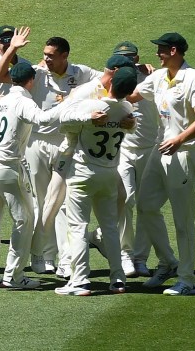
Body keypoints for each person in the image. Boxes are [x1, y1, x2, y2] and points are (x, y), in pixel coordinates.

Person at [0, 28, 101, 277]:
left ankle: (65, 260)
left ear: (65, 55)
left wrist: (138, 69)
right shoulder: (37, 72)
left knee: (63, 203)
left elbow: (108, 78)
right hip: (36, 144)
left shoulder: (81, 72)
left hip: (66, 143)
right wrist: (13, 49)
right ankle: (42, 256)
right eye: (45, 54)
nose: (47, 59)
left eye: (51, 55)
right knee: (41, 202)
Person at [131, 33, 195, 296]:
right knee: (145, 206)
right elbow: (130, 96)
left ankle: (187, 280)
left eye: (161, 50)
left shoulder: (193, 78)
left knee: (183, 220)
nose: (157, 54)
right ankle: (168, 262)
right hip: (160, 150)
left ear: (174, 50)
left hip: (183, 153)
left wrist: (179, 139)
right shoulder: (158, 78)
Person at [54, 66, 139, 296]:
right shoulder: (127, 109)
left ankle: (80, 281)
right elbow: (131, 126)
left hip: (83, 173)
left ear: (110, 83)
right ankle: (118, 279)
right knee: (110, 227)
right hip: (110, 174)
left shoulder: (93, 106)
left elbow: (63, 120)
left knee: (78, 227)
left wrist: (88, 119)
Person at [0, 61, 57, 290]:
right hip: (8, 165)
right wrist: (66, 106)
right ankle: (14, 275)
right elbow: (42, 119)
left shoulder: (0, 103)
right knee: (24, 219)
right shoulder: (23, 102)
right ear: (30, 81)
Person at [110, 41, 160, 277]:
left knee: (146, 205)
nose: (125, 63)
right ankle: (125, 254)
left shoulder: (152, 76)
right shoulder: (110, 80)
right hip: (123, 149)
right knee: (126, 200)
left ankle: (141, 258)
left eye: (129, 59)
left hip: (150, 149)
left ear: (137, 58)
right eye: (121, 60)